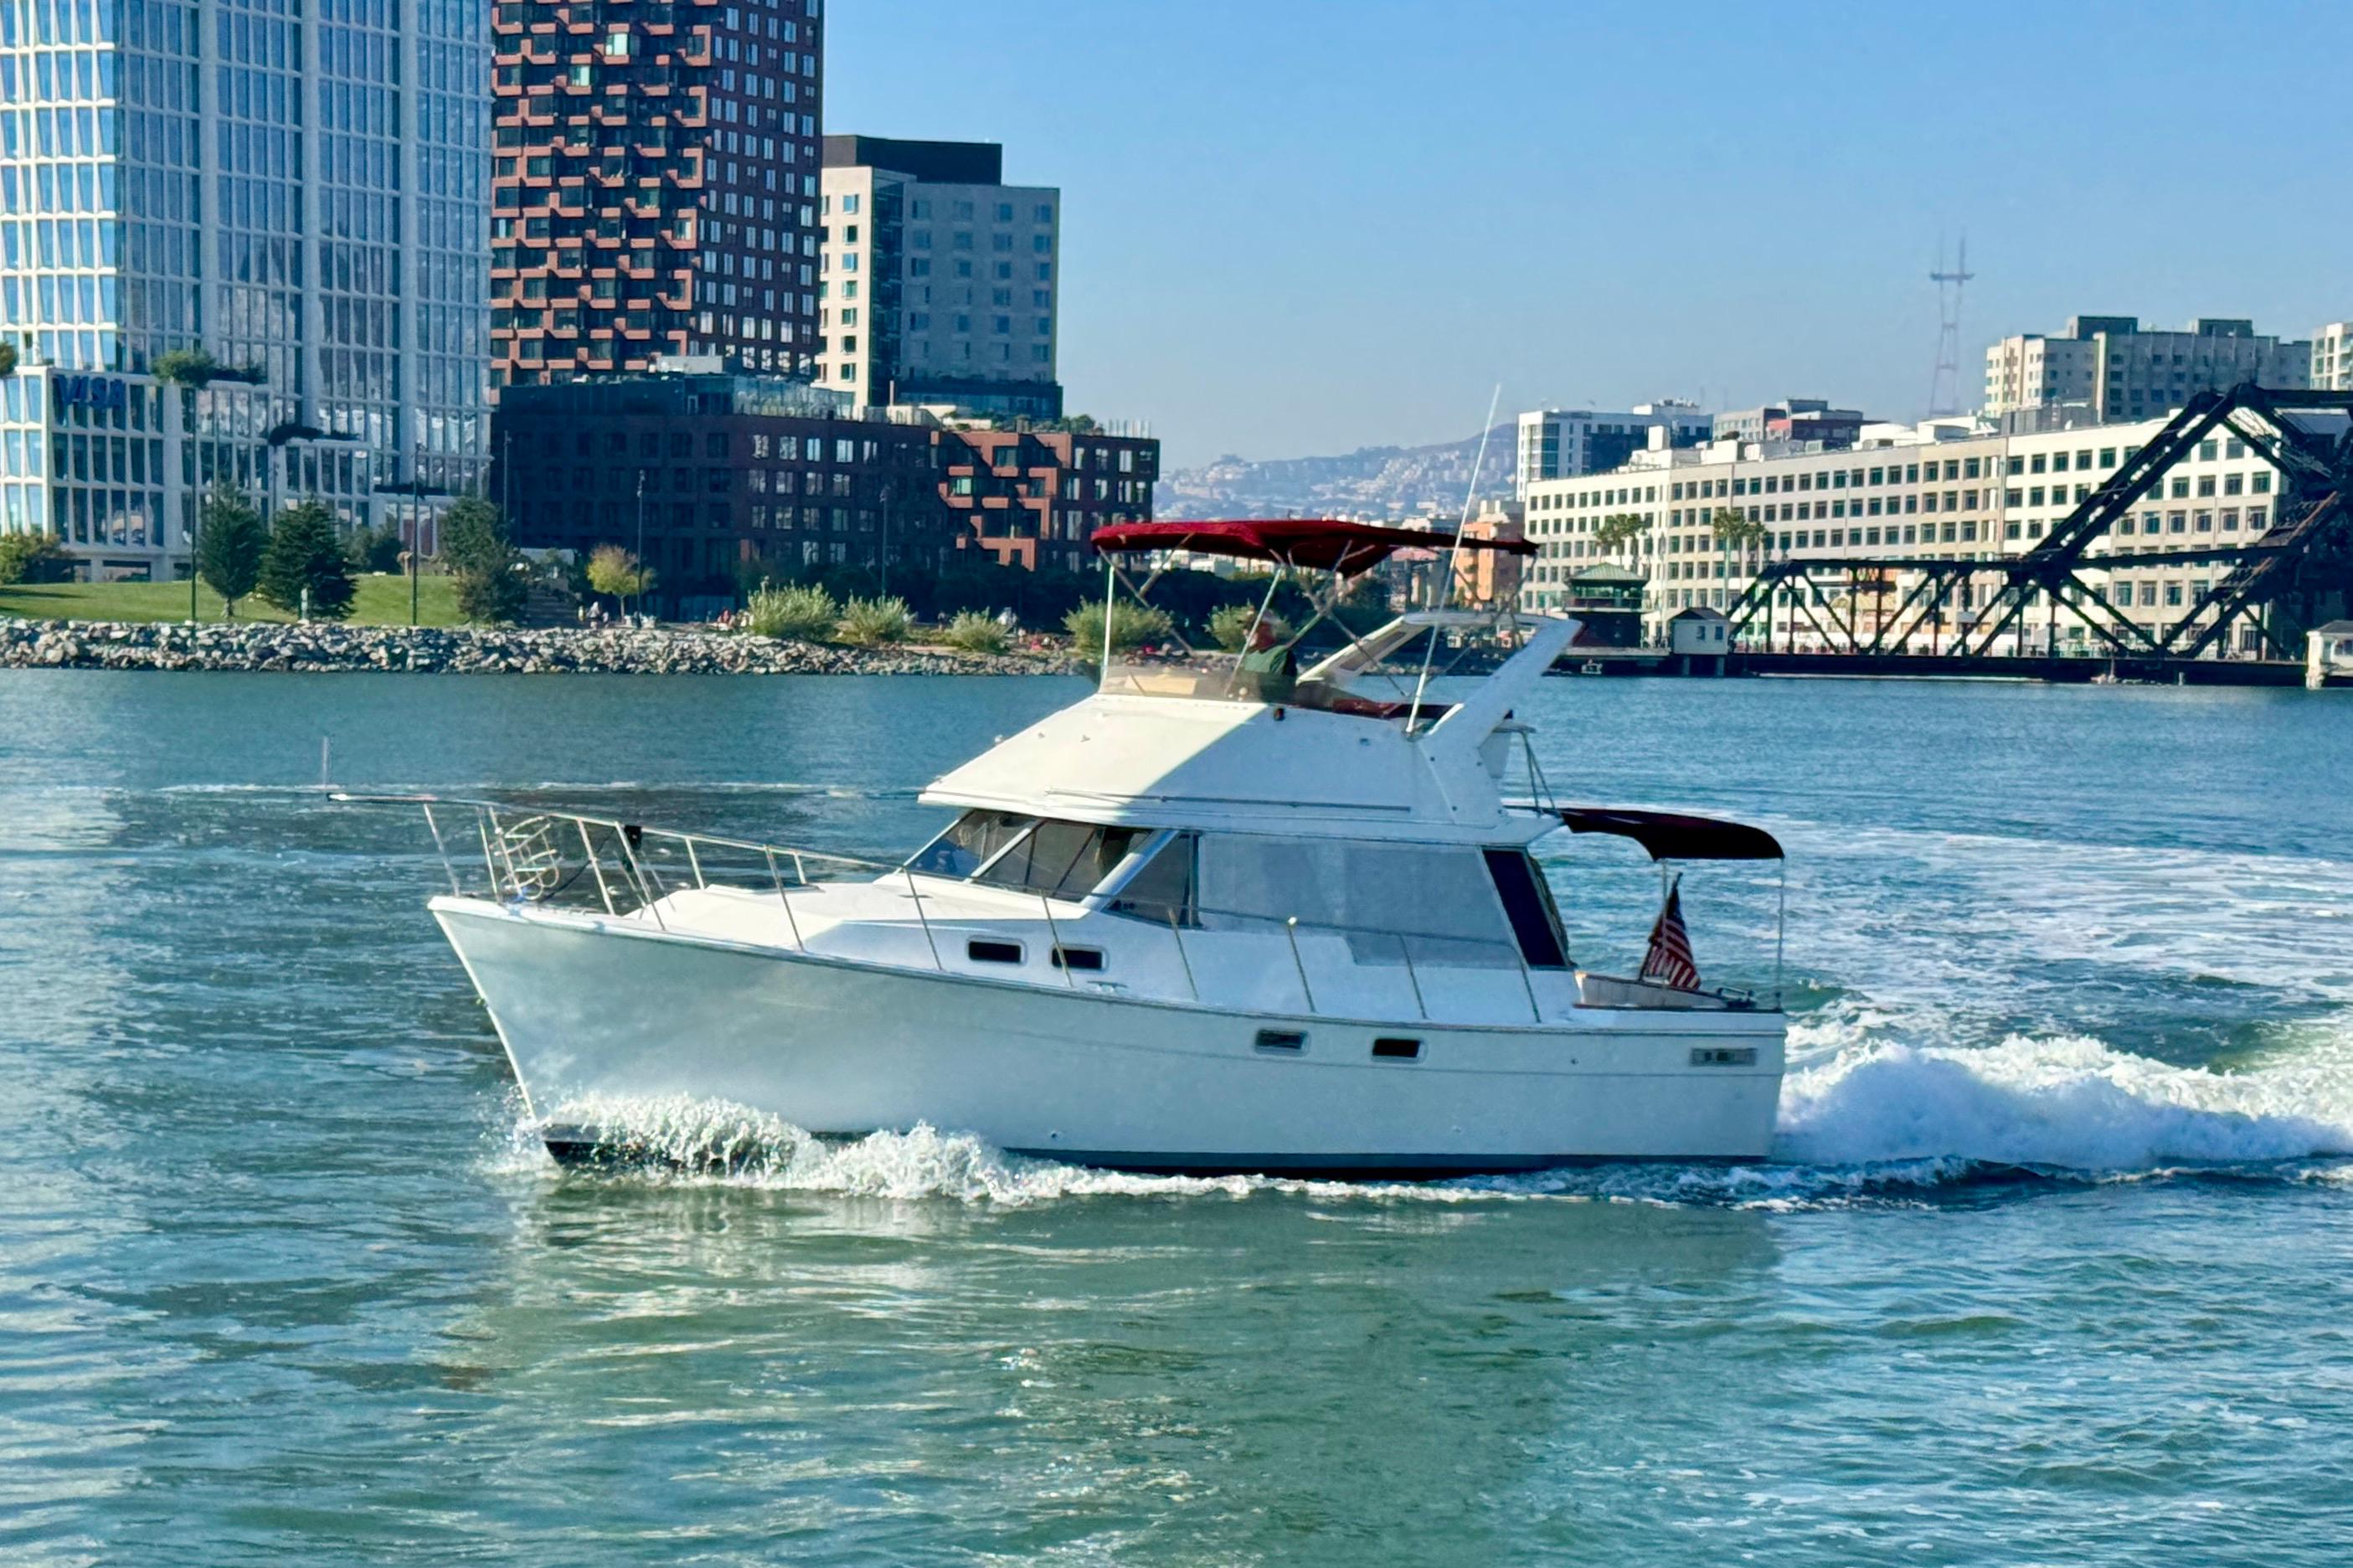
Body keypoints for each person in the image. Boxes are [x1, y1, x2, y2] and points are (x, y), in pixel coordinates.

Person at [1234, 620, 1296, 703]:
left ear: (1265, 630)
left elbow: (1277, 686)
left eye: (1252, 629)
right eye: (1246, 632)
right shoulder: (1250, 658)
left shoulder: (1281, 652)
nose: (1247, 633)